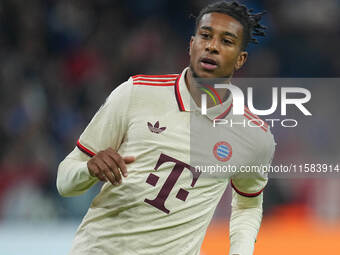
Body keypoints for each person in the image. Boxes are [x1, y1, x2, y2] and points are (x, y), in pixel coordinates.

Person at [57, 1, 275, 255]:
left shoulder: (254, 137)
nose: (212, 46)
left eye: (226, 41)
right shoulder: (136, 93)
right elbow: (65, 181)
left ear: (240, 59)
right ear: (192, 44)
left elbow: (248, 205)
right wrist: (87, 170)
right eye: (205, 36)